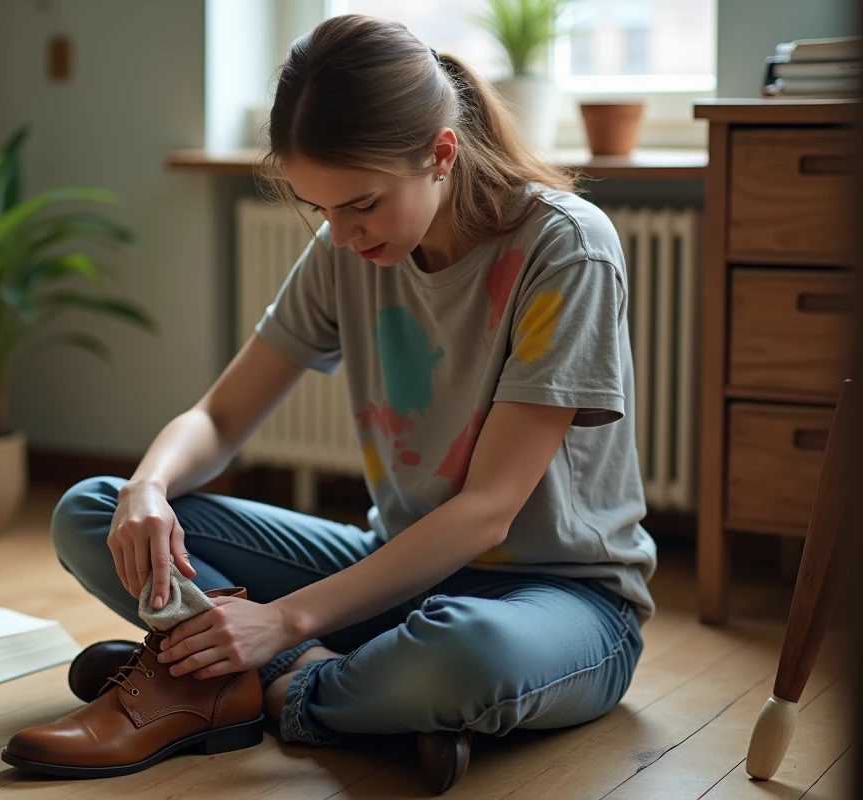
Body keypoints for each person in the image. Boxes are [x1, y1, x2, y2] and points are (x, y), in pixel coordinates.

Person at [50, 13, 656, 793]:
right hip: (394, 571)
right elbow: (220, 418)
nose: (340, 233)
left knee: (464, 656)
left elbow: (488, 512)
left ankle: (238, 684)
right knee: (93, 514)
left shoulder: (566, 248)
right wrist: (148, 486)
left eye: (360, 204)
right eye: (322, 209)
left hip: (562, 602)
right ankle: (347, 696)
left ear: (441, 153)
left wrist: (285, 622)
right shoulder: (346, 247)